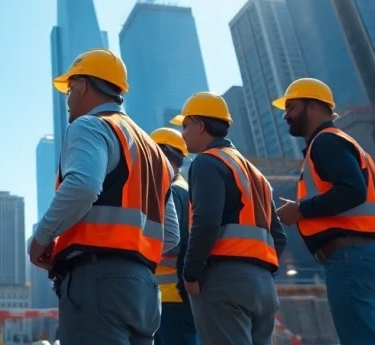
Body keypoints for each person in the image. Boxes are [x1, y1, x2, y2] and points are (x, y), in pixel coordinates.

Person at [29, 49, 178, 345]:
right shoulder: (155, 153)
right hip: (145, 287)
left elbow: (83, 187)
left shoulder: (90, 125)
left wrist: (42, 238)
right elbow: (171, 235)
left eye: (70, 90)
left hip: (96, 282)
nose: (68, 100)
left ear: (83, 86)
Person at [272, 78, 375, 345]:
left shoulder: (326, 142)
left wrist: (301, 210)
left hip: (352, 257)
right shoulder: (343, 143)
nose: (286, 116)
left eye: (291, 108)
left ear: (313, 107)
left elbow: (352, 190)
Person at [175, 92, 286, 345]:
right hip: (263, 285)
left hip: (223, 281)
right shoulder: (254, 172)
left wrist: (190, 273)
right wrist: (262, 272)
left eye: (185, 125)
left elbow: (206, 221)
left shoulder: (206, 162)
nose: (182, 133)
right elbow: (278, 236)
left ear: (200, 125)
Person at [150, 128, 198, 345]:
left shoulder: (173, 192)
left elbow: (178, 240)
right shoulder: (182, 190)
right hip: (170, 296)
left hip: (172, 296)